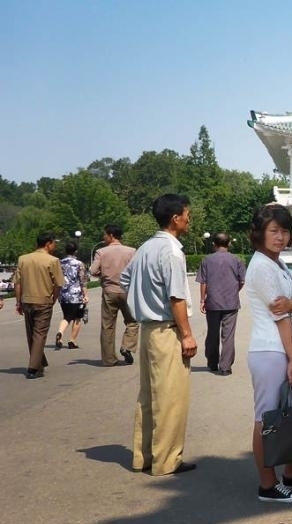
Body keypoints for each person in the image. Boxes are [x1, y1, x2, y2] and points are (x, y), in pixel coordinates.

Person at [244, 204, 292, 503]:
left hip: (281, 350)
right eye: (273, 231)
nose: (280, 237)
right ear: (260, 234)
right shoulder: (262, 266)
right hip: (270, 351)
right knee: (267, 419)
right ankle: (267, 484)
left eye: (285, 231)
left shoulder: (277, 264)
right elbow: (282, 315)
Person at [120, 194, 198, 476]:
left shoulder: (145, 247)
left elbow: (125, 279)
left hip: (148, 329)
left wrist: (142, 301)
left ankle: (145, 456)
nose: (189, 218)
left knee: (149, 395)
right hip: (166, 330)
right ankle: (167, 460)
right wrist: (186, 335)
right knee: (171, 397)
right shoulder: (172, 251)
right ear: (176, 218)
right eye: (187, 214)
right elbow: (177, 298)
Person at [14, 232, 64, 379]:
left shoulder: (23, 259)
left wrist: (18, 301)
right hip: (43, 301)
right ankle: (33, 368)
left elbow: (18, 283)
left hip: (27, 300)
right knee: (40, 334)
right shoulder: (53, 260)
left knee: (31, 334)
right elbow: (58, 284)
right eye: (54, 243)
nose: (55, 245)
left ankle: (39, 363)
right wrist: (53, 299)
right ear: (48, 244)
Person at [196, 232, 247, 376]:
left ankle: (212, 363)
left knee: (212, 333)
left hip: (212, 302)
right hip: (231, 303)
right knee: (228, 335)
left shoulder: (206, 260)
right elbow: (242, 281)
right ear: (229, 243)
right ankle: (225, 367)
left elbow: (203, 282)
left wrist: (202, 300)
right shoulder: (236, 260)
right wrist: (234, 291)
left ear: (214, 244)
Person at [91, 224, 139, 366]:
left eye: (104, 234)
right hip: (127, 291)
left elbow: (93, 271)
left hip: (109, 292)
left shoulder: (101, 252)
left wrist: (103, 275)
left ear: (111, 235)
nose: (103, 237)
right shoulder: (131, 251)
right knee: (132, 321)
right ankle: (127, 346)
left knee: (108, 326)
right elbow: (137, 270)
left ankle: (109, 359)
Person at [55, 241, 88, 350]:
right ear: (76, 251)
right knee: (77, 317)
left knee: (66, 316)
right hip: (76, 294)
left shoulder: (59, 263)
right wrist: (85, 295)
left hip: (63, 294)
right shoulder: (79, 264)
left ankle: (60, 333)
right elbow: (83, 281)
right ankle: (72, 341)